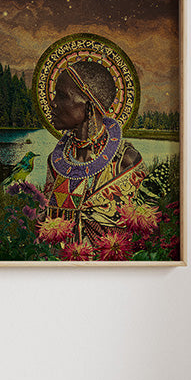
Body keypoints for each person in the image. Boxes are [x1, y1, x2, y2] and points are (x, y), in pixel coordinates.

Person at [41, 60, 144, 243]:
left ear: (88, 105)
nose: (53, 104)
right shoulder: (55, 162)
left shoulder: (125, 161)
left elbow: (142, 232)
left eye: (62, 96)